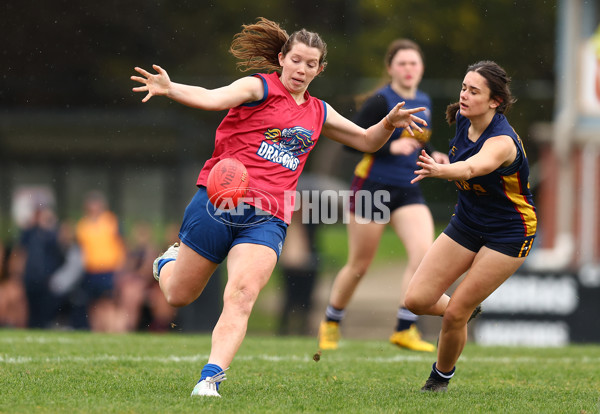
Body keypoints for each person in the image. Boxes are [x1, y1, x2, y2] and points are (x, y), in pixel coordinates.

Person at [130, 17, 428, 398]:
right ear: (282, 58)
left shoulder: (319, 112)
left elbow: (368, 140)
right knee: (178, 295)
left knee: (241, 293)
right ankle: (166, 263)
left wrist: (388, 122)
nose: (301, 70)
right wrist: (171, 89)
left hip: (268, 217)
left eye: (310, 64)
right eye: (296, 60)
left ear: (319, 69)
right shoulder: (258, 86)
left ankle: (210, 378)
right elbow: (213, 97)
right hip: (218, 202)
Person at [404, 60, 537, 392]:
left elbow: (472, 167)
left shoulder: (502, 141)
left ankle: (439, 378)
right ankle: (464, 309)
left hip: (510, 232)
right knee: (416, 300)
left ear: (495, 101)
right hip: (467, 223)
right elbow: (461, 164)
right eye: (464, 87)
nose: (464, 95)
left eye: (474, 91)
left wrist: (440, 170)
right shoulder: (464, 119)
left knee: (453, 315)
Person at [318, 39, 449, 352]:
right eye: (401, 63)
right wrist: (390, 146)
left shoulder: (424, 100)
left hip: (408, 189)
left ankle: (405, 327)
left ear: (422, 69)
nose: (408, 69)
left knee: (423, 257)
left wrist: (435, 155)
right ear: (390, 68)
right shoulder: (381, 101)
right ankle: (332, 320)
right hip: (372, 189)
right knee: (360, 264)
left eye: (413, 63)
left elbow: (417, 141)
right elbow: (352, 142)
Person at [75, 191, 126, 332]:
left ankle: (111, 330)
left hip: (108, 269)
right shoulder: (82, 225)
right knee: (93, 304)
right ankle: (97, 330)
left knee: (108, 302)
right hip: (91, 270)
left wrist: (119, 269)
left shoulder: (111, 221)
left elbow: (121, 246)